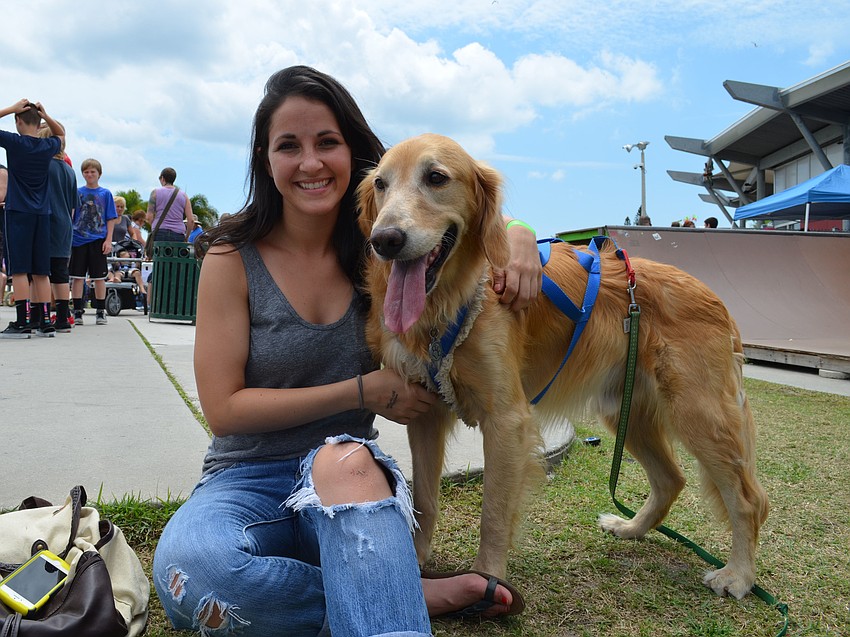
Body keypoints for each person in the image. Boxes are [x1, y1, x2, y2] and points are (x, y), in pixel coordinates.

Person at [152, 66, 539, 636]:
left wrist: (523, 233)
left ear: (351, 152)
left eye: (327, 143)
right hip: (243, 480)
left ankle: (379, 588)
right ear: (266, 160)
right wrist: (363, 390)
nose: (309, 162)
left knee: (347, 463)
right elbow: (225, 409)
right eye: (289, 146)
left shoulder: (383, 246)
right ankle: (413, 591)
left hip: (345, 466)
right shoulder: (230, 258)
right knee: (197, 574)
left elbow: (464, 204)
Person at [0, 100, 64, 338]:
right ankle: (46, 321)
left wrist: (11, 108)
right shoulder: (47, 145)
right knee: (41, 271)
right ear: (39, 124)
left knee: (19, 269)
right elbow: (61, 133)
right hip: (42, 213)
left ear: (18, 121)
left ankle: (21, 321)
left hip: (18, 211)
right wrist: (46, 114)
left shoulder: (15, 142)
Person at [36, 123, 77, 332]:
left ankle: (36, 315)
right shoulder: (69, 171)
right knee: (61, 272)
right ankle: (63, 316)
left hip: (46, 223)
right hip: (64, 225)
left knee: (39, 272)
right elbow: (73, 206)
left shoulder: (44, 167)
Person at [70, 158, 117, 326]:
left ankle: (100, 311)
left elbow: (111, 218)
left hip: (98, 239)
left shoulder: (105, 194)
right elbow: (72, 214)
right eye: (86, 172)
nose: (89, 175)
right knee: (77, 277)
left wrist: (109, 239)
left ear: (99, 174)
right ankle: (77, 310)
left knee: (99, 278)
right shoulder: (77, 192)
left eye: (92, 172)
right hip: (78, 239)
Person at [146, 167, 193, 244]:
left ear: (162, 178)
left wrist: (155, 225)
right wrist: (186, 237)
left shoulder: (155, 193)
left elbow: (148, 217)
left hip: (159, 232)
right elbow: (190, 220)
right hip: (178, 234)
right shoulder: (184, 196)